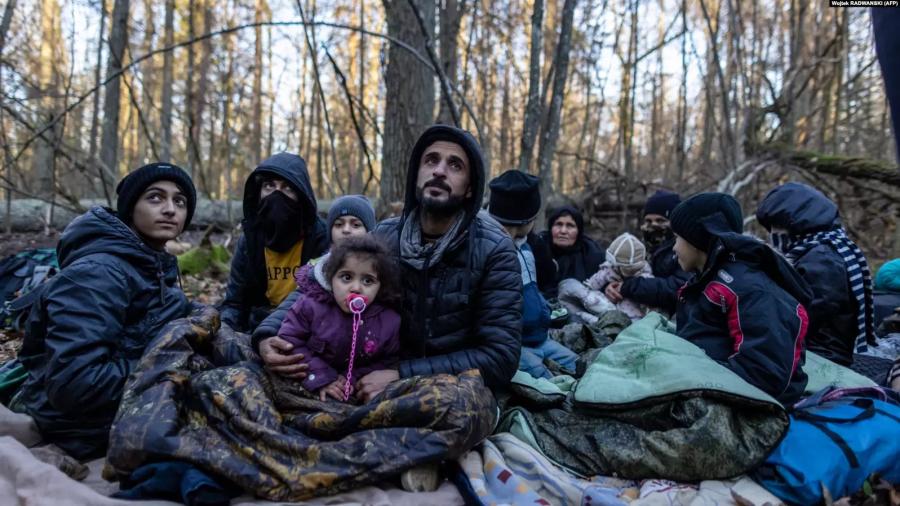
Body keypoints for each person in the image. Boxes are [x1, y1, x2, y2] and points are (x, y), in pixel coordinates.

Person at [255, 124, 521, 400]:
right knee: (241, 372)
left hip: (443, 388)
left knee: (460, 409)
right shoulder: (384, 235)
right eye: (431, 160)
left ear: (470, 188)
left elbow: (500, 356)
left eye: (455, 165)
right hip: (365, 375)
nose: (439, 171)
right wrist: (266, 335)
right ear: (416, 174)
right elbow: (317, 282)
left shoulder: (495, 251)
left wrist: (402, 375)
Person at [12, 163, 196, 459]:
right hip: (79, 426)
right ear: (130, 208)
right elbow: (76, 384)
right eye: (155, 197)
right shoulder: (98, 273)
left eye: (180, 201)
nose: (170, 209)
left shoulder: (152, 264)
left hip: (123, 405)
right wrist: (175, 367)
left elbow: (167, 315)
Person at [670, 192, 811, 405]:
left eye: (677, 238)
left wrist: (689, 376)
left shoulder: (750, 290)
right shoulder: (707, 280)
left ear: (697, 239)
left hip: (746, 404)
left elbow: (763, 374)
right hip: (709, 388)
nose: (674, 248)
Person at [756, 182, 875, 366]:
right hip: (821, 352)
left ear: (796, 224)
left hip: (822, 357)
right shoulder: (829, 248)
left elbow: (805, 315)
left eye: (776, 227)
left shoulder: (821, 258)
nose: (773, 235)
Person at [277, 235, 401, 402]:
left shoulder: (389, 322)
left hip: (352, 390)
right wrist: (321, 375)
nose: (356, 288)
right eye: (346, 277)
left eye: (368, 280)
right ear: (330, 278)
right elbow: (290, 341)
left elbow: (387, 361)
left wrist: (352, 378)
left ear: (380, 286)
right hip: (309, 380)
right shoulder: (310, 306)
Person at [220, 153, 329, 333]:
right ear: (259, 193)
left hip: (305, 329)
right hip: (256, 327)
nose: (277, 195)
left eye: (287, 188)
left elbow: (326, 303)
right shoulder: (250, 241)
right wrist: (224, 333)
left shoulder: (321, 238)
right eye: (269, 186)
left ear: (301, 195)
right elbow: (235, 303)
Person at [488, 169, 578, 379]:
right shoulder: (490, 251)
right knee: (549, 384)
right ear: (525, 220)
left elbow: (535, 288)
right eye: (534, 217)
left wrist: (544, 311)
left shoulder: (527, 246)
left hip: (540, 338)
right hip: (513, 346)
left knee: (579, 365)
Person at [607, 190, 689, 316]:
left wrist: (628, 287)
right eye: (648, 221)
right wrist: (611, 287)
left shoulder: (684, 249)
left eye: (660, 220)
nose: (653, 225)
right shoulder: (638, 246)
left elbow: (678, 287)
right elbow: (616, 269)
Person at [583, 232, 654, 321]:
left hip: (634, 312)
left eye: (630, 269)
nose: (628, 271)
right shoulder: (610, 269)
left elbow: (649, 296)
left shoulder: (645, 277)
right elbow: (592, 285)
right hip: (608, 307)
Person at [540, 205, 605, 296]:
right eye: (558, 224)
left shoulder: (592, 253)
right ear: (550, 228)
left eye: (570, 226)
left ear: (579, 230)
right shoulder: (538, 248)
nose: (563, 231)